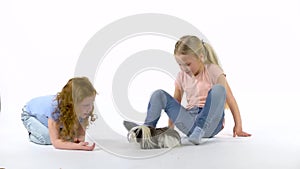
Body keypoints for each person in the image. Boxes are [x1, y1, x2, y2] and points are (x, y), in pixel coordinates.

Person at [142, 35, 251, 145]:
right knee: (158, 94)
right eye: (180, 64)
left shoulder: (213, 70)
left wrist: (238, 126)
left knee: (219, 89)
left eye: (188, 64)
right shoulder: (181, 76)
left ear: (201, 57)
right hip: (190, 123)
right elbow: (176, 102)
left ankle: (200, 128)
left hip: (212, 123)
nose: (184, 68)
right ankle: (146, 130)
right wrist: (171, 129)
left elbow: (230, 99)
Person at [21, 77, 97, 150]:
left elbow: (80, 135)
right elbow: (56, 142)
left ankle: (52, 130)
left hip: (49, 118)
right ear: (72, 103)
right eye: (86, 105)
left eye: (91, 103)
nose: (90, 108)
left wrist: (79, 139)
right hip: (29, 115)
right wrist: (77, 146)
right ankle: (33, 133)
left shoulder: (83, 110)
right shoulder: (55, 108)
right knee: (47, 138)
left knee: (68, 136)